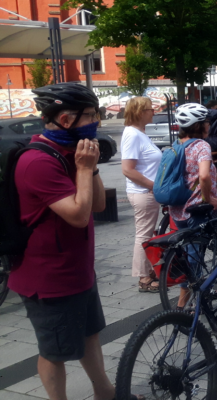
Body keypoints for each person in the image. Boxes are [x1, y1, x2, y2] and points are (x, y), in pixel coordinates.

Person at [9, 83, 127, 400]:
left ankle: (106, 393)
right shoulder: (37, 163)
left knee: (89, 335)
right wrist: (84, 168)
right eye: (90, 115)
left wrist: (92, 165)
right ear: (65, 119)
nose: (97, 122)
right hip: (49, 279)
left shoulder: (68, 153)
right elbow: (77, 214)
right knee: (55, 351)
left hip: (77, 271)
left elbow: (99, 206)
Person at [169, 103, 217, 309]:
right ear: (199, 125)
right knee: (194, 259)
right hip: (197, 209)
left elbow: (194, 172)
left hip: (179, 209)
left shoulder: (178, 144)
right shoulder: (202, 146)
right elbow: (204, 175)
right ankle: (183, 309)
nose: (209, 125)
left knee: (192, 253)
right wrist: (211, 200)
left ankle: (202, 292)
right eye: (206, 122)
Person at [121, 96, 163, 293]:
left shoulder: (139, 132)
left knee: (147, 232)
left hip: (147, 191)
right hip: (143, 192)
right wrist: (152, 185)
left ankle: (148, 271)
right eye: (149, 109)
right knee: (144, 234)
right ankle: (143, 277)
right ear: (139, 112)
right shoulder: (133, 134)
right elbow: (128, 169)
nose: (153, 112)